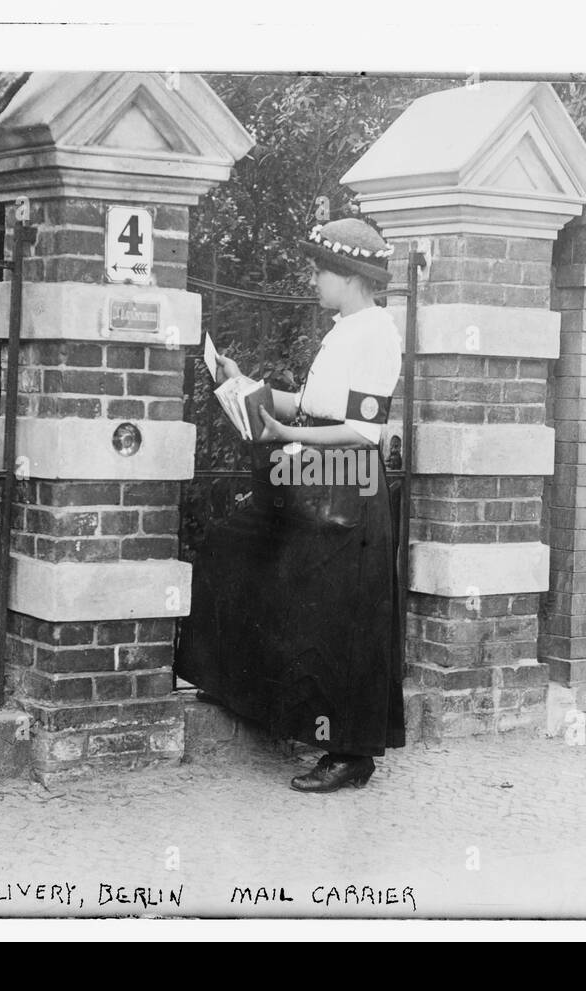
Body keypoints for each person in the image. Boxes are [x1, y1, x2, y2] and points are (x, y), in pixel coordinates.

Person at [175, 217, 404, 792]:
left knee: (339, 616)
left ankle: (351, 755)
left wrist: (279, 432)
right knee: (234, 549)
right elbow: (310, 402)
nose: (314, 278)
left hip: (347, 481)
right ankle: (241, 685)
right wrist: (246, 385)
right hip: (315, 472)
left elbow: (361, 433)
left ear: (350, 275)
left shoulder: (376, 332)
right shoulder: (345, 327)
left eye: (320, 269)